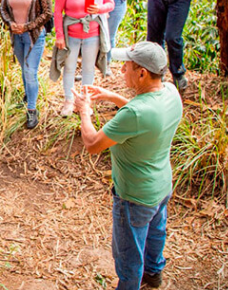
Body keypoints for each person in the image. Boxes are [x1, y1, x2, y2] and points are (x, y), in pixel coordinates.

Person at [72, 41, 183, 290]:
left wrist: (85, 111)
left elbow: (92, 143)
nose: (122, 70)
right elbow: (142, 114)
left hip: (134, 196)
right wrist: (111, 96)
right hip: (161, 186)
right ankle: (154, 273)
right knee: (155, 234)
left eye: (127, 66)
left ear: (142, 73)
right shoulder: (170, 93)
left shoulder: (134, 115)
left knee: (129, 256)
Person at [54, 0, 114, 117]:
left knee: (88, 68)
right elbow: (57, 10)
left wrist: (99, 8)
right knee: (69, 67)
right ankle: (68, 101)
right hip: (71, 33)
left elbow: (110, 4)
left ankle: (85, 102)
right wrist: (59, 35)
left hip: (92, 33)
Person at [0, 0, 53, 129]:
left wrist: (28, 26)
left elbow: (47, 13)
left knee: (30, 71)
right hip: (16, 35)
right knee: (24, 68)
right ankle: (28, 94)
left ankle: (31, 109)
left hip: (34, 36)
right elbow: (3, 9)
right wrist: (10, 24)